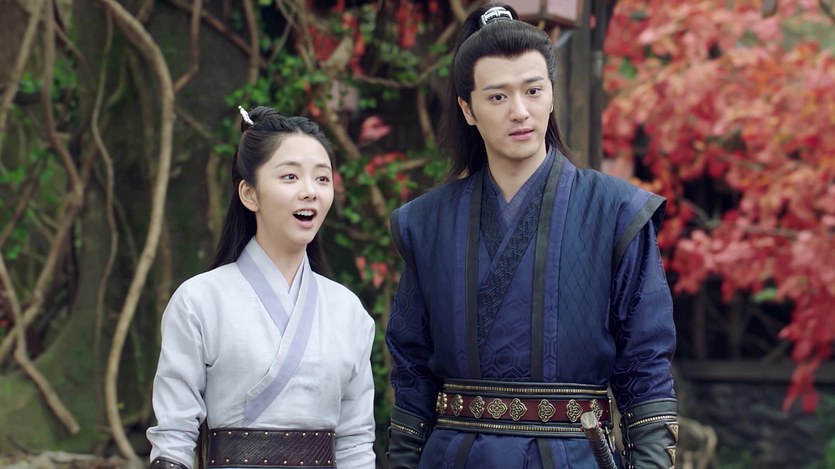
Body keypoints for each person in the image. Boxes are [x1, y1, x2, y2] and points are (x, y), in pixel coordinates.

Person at [385, 4, 677, 469]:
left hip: (575, 456)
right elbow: (412, 368)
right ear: (468, 109)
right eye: (498, 97)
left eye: (533, 90)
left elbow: (645, 363)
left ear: (552, 96)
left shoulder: (615, 211)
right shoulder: (427, 222)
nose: (519, 111)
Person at [147, 106, 376, 469]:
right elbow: (174, 436)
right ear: (249, 194)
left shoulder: (348, 311)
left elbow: (356, 440)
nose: (310, 192)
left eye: (322, 178)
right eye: (290, 176)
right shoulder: (199, 300)